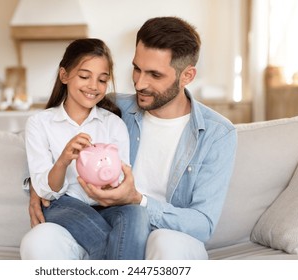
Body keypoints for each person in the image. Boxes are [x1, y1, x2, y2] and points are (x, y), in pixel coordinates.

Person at [20, 16, 237, 260]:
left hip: (164, 233)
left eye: (154, 75)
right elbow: (48, 136)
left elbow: (203, 224)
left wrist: (139, 200)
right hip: (103, 223)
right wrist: (38, 188)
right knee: (38, 241)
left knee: (166, 245)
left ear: (187, 75)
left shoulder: (217, 134)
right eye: (136, 69)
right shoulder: (114, 106)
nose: (139, 83)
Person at [24, 38, 150, 260]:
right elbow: (45, 190)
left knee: (137, 216)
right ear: (64, 76)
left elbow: (121, 176)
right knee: (108, 241)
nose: (93, 86)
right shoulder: (40, 123)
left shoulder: (113, 124)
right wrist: (63, 160)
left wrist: (110, 177)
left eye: (102, 80)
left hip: (108, 205)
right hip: (62, 204)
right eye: (84, 76)